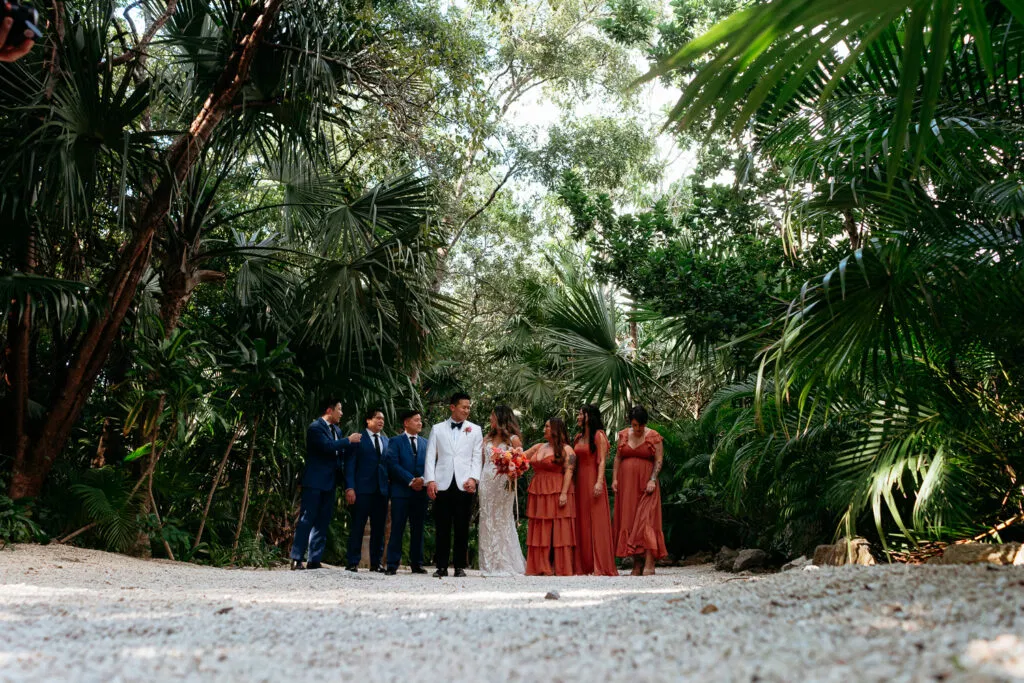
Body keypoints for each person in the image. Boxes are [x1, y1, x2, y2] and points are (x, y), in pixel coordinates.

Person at [290, 399, 361, 570]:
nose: (341, 413)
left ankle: (314, 559)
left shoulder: (337, 429)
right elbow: (326, 446)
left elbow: (339, 453)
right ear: (329, 410)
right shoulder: (315, 427)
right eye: (339, 409)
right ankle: (296, 558)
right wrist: (348, 441)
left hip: (330, 482)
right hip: (314, 481)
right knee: (307, 519)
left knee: (323, 520)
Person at [424, 391, 482, 578]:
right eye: (464, 407)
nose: (467, 410)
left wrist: (473, 478)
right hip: (442, 482)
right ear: (452, 407)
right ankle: (441, 566)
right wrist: (430, 480)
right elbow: (430, 456)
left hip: (464, 484)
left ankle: (459, 566)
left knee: (462, 526)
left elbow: (476, 457)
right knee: (442, 526)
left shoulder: (475, 429)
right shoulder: (437, 428)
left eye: (468, 407)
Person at [612, 405, 668, 576]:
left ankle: (650, 561)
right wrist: (614, 479)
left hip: (646, 483)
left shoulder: (653, 436)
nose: (637, 429)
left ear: (645, 424)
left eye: (640, 426)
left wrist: (652, 479)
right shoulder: (623, 435)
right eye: (635, 425)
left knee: (647, 519)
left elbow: (659, 460)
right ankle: (637, 563)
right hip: (627, 483)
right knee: (630, 520)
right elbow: (617, 457)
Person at [523, 417, 576, 576]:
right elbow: (520, 457)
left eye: (547, 426)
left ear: (555, 430)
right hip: (538, 489)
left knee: (559, 527)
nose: (544, 429)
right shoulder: (538, 447)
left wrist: (564, 493)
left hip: (556, 488)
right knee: (540, 526)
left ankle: (559, 565)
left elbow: (569, 471)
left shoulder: (567, 449)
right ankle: (539, 565)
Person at [477, 405, 526, 577]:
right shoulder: (486, 438)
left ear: (500, 418)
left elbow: (520, 464)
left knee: (502, 518)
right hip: (486, 481)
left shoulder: (513, 440)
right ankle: (488, 562)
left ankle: (504, 561)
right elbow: (481, 461)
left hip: (504, 484)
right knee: (487, 517)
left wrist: (512, 473)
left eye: (492, 416)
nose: (490, 420)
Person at [383, 409, 429, 575]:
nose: (420, 423)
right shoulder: (395, 441)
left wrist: (423, 479)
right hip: (401, 491)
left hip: (420, 492)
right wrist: (410, 480)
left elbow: (432, 464)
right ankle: (392, 564)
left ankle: (417, 564)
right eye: (416, 420)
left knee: (418, 528)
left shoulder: (426, 442)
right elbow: (392, 464)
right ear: (406, 422)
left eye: (420, 420)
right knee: (398, 527)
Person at [343, 407, 389, 572]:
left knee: (379, 528)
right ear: (368, 420)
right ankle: (353, 562)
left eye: (382, 418)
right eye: (377, 418)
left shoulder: (386, 441)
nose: (381, 421)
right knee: (358, 526)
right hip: (361, 490)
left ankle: (376, 563)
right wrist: (350, 487)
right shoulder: (358, 439)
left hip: (381, 491)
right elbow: (350, 465)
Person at [573, 405, 617, 576]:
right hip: (579, 482)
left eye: (580, 414)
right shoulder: (577, 437)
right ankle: (584, 565)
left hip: (593, 479)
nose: (577, 416)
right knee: (581, 520)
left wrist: (599, 482)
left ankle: (600, 564)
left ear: (588, 417)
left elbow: (602, 461)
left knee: (596, 520)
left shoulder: (599, 436)